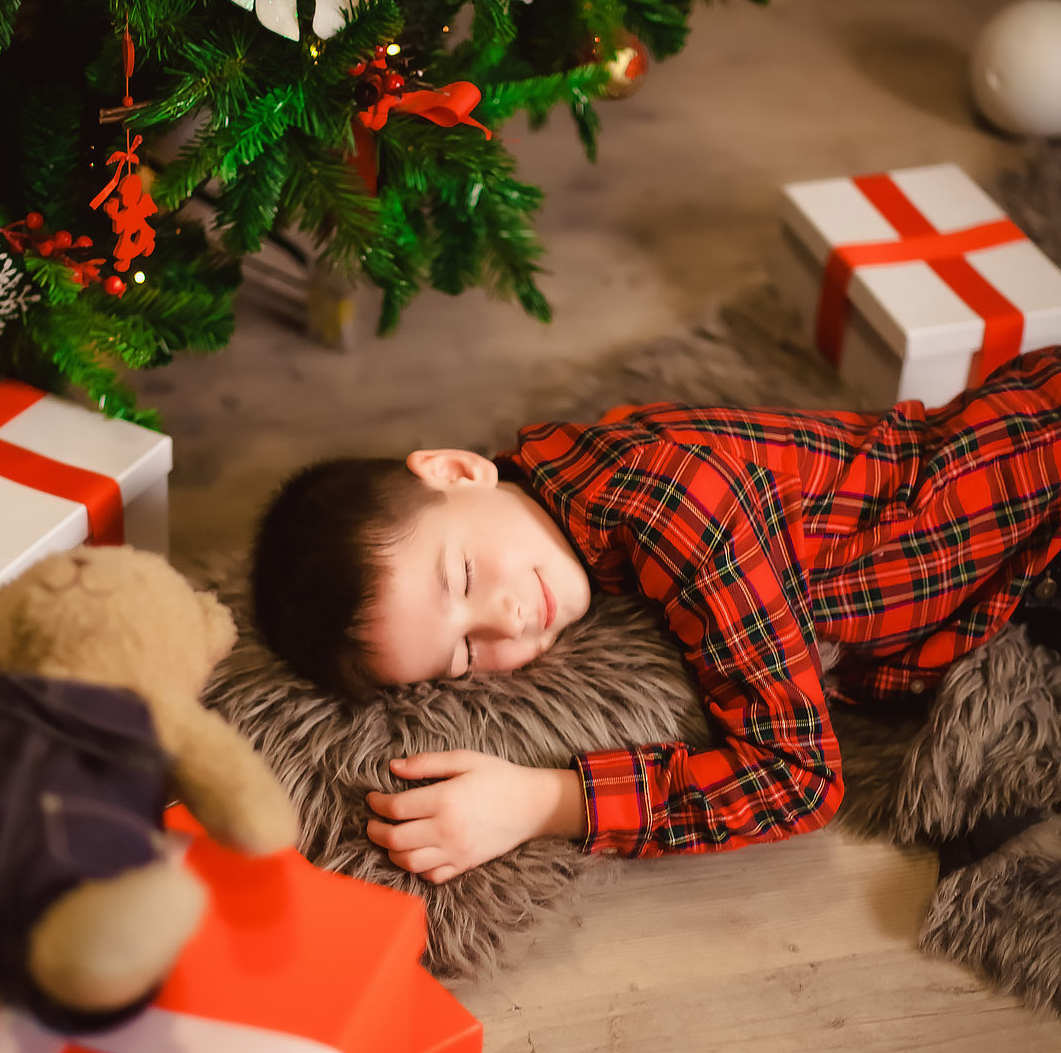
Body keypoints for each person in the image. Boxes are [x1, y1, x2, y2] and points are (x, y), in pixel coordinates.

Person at [251, 350, 1061, 884]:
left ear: (461, 469)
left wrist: (540, 802)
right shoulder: (557, 479)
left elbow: (798, 780)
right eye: (463, 656)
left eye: (463, 575)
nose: (503, 622)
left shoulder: (678, 508)